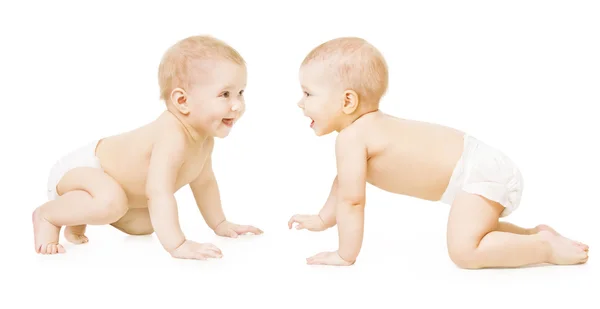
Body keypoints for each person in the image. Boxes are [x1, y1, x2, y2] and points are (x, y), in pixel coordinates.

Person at [287, 37, 589, 268]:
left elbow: (353, 200)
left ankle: (545, 248)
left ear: (347, 101)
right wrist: (324, 218)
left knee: (465, 251)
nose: (300, 103)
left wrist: (345, 255)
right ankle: (532, 235)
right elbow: (343, 185)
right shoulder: (364, 132)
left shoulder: (352, 138)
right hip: (480, 168)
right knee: (478, 233)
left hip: (477, 174)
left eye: (308, 93)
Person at [33, 35, 262, 259]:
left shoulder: (203, 139)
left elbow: (204, 183)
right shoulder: (172, 135)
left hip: (105, 185)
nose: (237, 105)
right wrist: (178, 245)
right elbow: (158, 192)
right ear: (182, 101)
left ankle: (77, 216)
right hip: (84, 169)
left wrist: (220, 224)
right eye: (225, 94)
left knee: (145, 225)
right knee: (112, 202)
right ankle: (48, 216)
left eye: (240, 93)